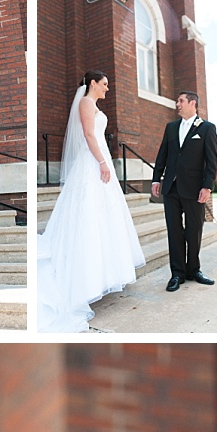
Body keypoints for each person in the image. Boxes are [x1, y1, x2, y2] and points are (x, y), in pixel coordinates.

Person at [37, 71, 145, 333]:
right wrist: (101, 163)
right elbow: (88, 135)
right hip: (91, 164)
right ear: (92, 83)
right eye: (104, 84)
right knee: (87, 216)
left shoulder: (94, 105)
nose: (107, 89)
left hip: (99, 161)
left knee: (103, 217)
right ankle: (83, 280)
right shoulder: (86, 103)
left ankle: (101, 276)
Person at [150, 91, 217, 292]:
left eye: (180, 101)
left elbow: (211, 161)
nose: (177, 104)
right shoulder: (171, 128)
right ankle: (177, 274)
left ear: (192, 103)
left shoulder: (206, 128)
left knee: (194, 230)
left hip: (194, 189)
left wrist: (207, 186)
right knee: (174, 231)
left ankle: (193, 270)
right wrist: (156, 178)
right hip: (171, 188)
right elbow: (163, 154)